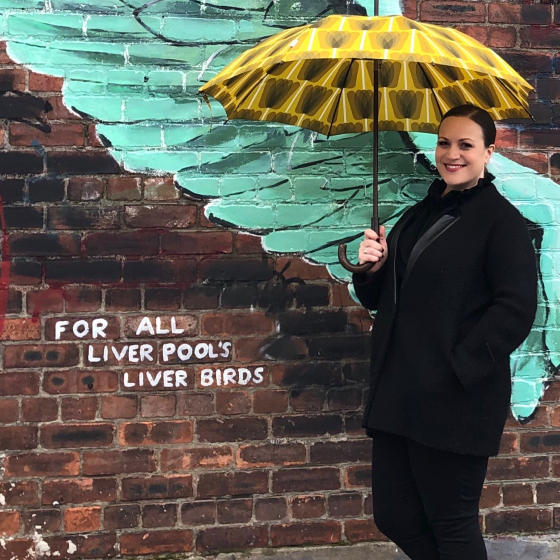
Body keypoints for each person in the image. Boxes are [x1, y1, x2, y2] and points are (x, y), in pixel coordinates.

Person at [352, 104, 538, 560]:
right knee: (394, 516)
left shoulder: (503, 224)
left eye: (465, 145)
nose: (451, 154)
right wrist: (372, 266)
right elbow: (381, 297)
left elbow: (515, 310)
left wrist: (457, 366)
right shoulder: (420, 214)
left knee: (451, 524)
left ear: (489, 153)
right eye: (443, 142)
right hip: (401, 394)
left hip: (455, 400)